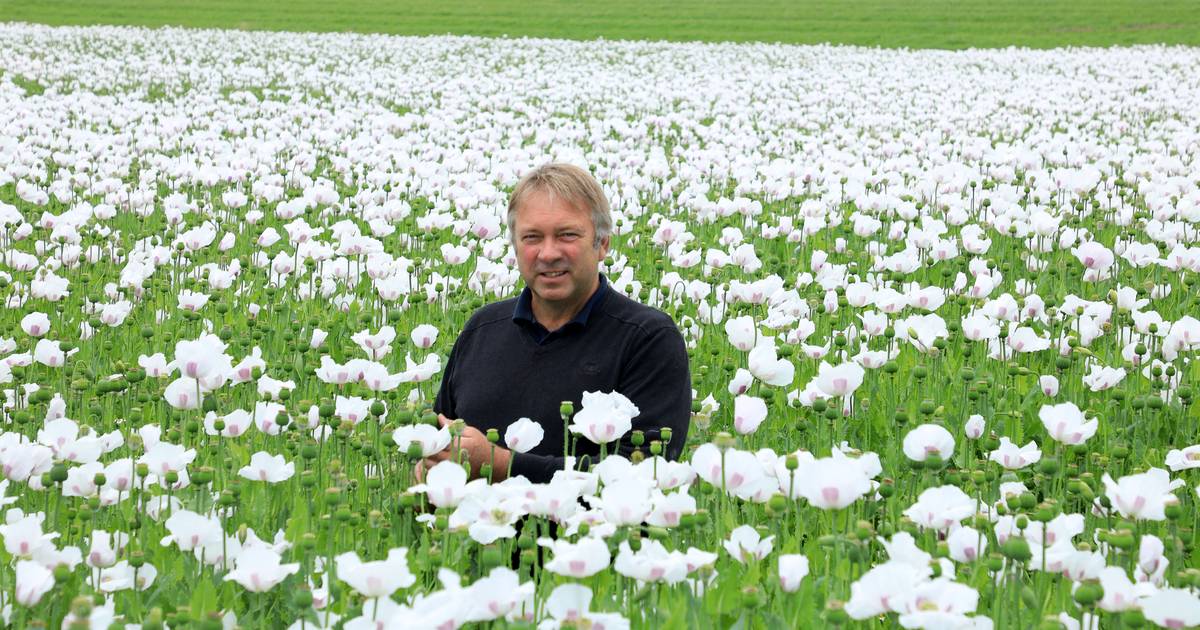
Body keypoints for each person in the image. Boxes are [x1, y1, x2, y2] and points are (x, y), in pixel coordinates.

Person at [422, 162, 691, 484]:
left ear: (603, 243)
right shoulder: (482, 329)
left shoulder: (647, 338)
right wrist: (427, 471)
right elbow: (439, 446)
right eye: (532, 237)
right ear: (515, 246)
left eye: (567, 235)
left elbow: (645, 470)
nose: (548, 253)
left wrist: (502, 465)